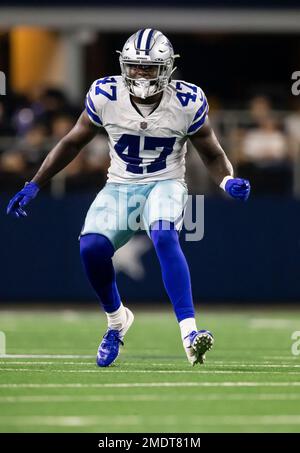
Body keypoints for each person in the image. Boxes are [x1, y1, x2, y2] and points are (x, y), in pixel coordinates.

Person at [7, 29, 250, 367]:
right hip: (120, 185)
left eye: (148, 68)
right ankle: (117, 321)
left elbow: (211, 153)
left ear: (166, 68)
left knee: (164, 234)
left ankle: (190, 333)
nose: (139, 74)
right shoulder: (106, 94)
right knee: (91, 249)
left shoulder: (186, 101)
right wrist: (35, 183)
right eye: (134, 66)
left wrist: (227, 181)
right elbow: (72, 142)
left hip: (165, 182)